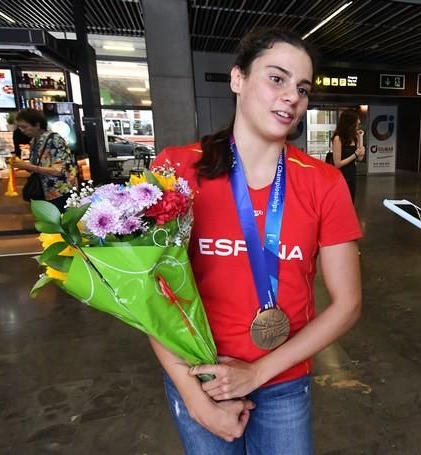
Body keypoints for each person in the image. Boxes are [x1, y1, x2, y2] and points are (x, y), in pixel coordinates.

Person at [150, 28, 363, 454]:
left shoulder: (325, 182)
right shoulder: (178, 169)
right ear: (238, 79)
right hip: (198, 376)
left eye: (302, 88)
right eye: (277, 78)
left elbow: (348, 304)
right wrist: (194, 397)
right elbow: (151, 295)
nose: (292, 97)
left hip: (283, 382)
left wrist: (256, 373)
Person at [11, 109, 78, 213]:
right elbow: (37, 166)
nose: (22, 130)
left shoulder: (54, 139)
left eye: (24, 127)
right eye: (20, 127)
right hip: (43, 192)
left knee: (60, 224)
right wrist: (21, 165)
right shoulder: (34, 141)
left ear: (37, 125)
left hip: (60, 192)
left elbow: (58, 170)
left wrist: (27, 166)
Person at [330, 108, 365, 202]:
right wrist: (355, 155)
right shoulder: (338, 138)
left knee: (351, 202)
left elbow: (360, 157)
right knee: (341, 202)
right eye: (357, 119)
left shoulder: (354, 137)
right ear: (350, 121)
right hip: (341, 176)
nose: (359, 121)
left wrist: (361, 138)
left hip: (352, 175)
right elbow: (337, 164)